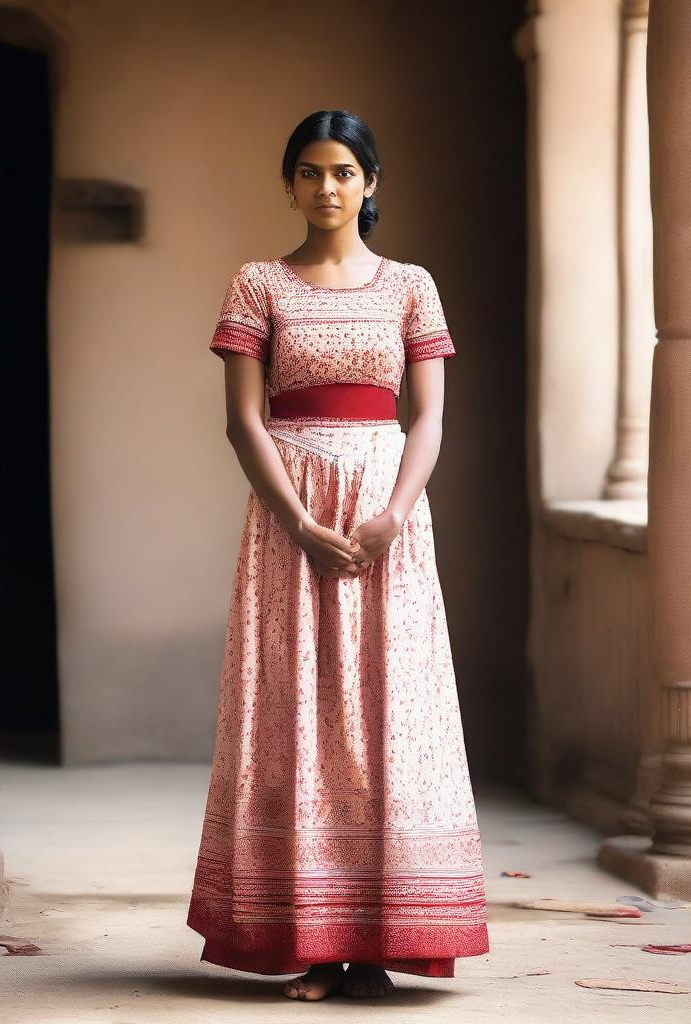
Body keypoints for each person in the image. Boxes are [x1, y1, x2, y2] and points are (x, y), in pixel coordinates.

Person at [186, 109, 489, 1001]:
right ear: (290, 184)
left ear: (371, 184)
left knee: (391, 711)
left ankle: (382, 936)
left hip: (387, 520)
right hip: (292, 518)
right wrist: (299, 525)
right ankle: (315, 939)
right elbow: (244, 421)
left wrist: (396, 511)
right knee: (301, 713)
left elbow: (427, 414)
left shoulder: (410, 286)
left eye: (344, 173)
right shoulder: (257, 285)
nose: (327, 188)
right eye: (311, 172)